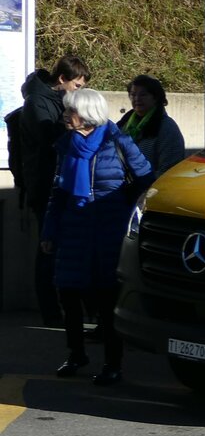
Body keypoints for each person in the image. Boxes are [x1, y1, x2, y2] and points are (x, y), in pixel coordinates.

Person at [42, 88, 152, 386]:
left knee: (106, 300)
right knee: (68, 294)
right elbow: (58, 192)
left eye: (70, 111)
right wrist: (49, 231)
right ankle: (76, 354)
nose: (65, 116)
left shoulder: (117, 141)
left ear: (87, 114)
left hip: (108, 232)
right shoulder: (66, 144)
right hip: (74, 229)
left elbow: (146, 181)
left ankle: (112, 363)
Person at [18, 54, 90, 327]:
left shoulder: (56, 101)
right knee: (47, 248)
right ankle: (50, 311)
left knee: (57, 247)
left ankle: (64, 308)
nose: (78, 92)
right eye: (77, 86)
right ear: (62, 79)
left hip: (58, 184)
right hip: (44, 186)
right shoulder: (38, 102)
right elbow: (49, 140)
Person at [117, 74, 185, 178]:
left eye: (143, 95)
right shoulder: (124, 124)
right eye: (133, 95)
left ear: (156, 97)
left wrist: (142, 185)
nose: (137, 99)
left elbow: (169, 169)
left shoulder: (166, 127)